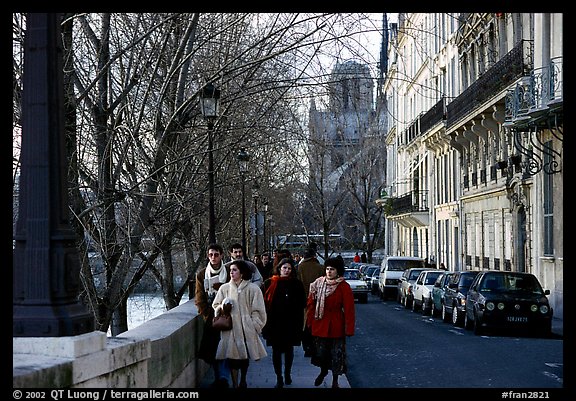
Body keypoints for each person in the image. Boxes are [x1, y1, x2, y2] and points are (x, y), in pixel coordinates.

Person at [212, 259, 268, 388]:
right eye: (230, 270)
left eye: (235, 270)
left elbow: (259, 310)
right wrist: (222, 307)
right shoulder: (224, 288)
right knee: (232, 359)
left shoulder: (253, 289)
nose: (231, 272)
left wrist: (254, 325)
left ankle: (243, 380)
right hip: (230, 330)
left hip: (246, 329)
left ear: (242, 272)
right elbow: (215, 305)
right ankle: (235, 384)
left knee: (244, 358)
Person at [306, 256, 355, 388]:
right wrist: (309, 322)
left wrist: (349, 328)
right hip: (320, 323)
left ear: (338, 271)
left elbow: (349, 309)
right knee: (321, 353)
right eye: (327, 269)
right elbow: (311, 304)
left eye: (332, 269)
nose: (329, 272)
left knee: (336, 355)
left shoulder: (344, 286)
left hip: (336, 325)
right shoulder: (318, 283)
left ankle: (335, 380)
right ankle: (323, 371)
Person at [262, 258, 306, 388]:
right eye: (284, 268)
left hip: (291, 322)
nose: (286, 271)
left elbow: (302, 303)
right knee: (276, 351)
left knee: (289, 350)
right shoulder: (270, 283)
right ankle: (279, 377)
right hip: (274, 322)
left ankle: (287, 373)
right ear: (279, 268)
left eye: (289, 268)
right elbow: (263, 303)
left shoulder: (297, 284)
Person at [194, 243, 231, 388]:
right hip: (211, 316)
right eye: (211, 255)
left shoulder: (228, 271)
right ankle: (219, 377)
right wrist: (205, 314)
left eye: (216, 254)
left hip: (228, 314)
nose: (213, 257)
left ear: (222, 255)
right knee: (212, 349)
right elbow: (199, 297)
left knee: (227, 347)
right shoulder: (202, 274)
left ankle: (223, 377)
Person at [296, 247, 325, 357]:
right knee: (316, 324)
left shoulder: (300, 267)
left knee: (305, 325)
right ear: (314, 256)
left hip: (303, 300)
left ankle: (307, 348)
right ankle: (315, 347)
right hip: (318, 300)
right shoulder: (320, 268)